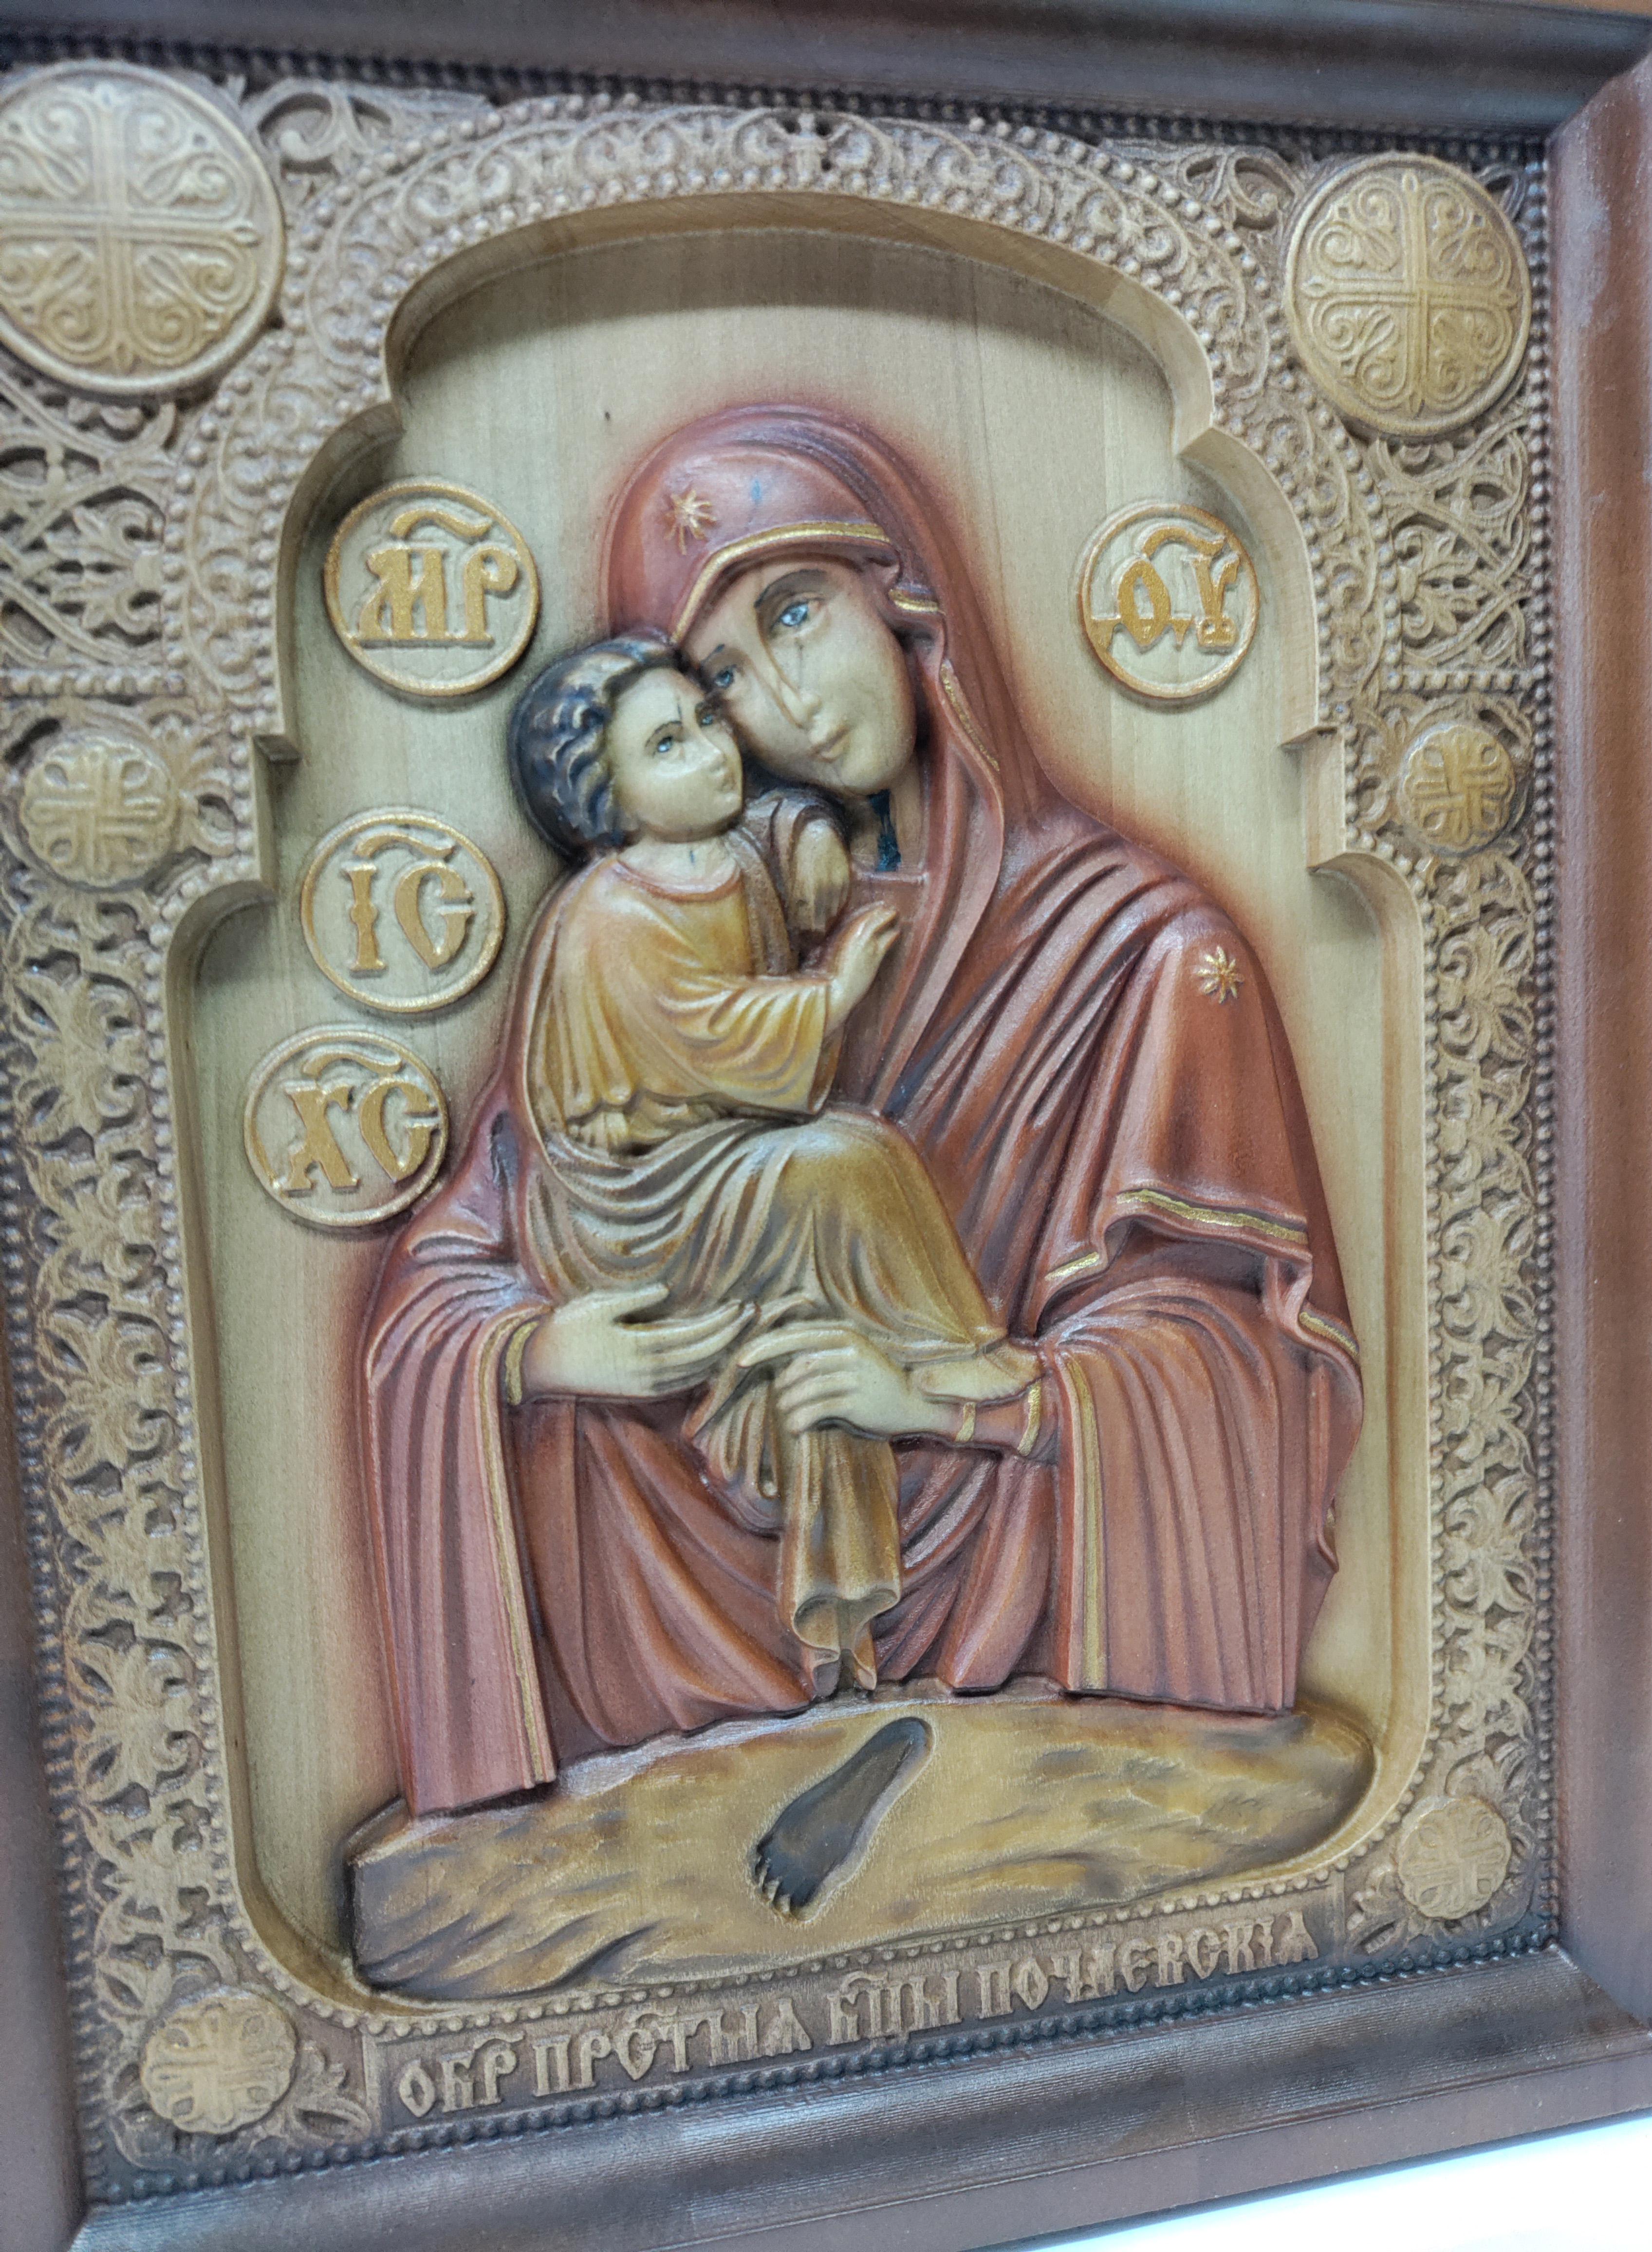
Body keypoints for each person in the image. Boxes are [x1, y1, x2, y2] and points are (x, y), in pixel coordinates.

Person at [360, 403, 1363, 1822]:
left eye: (794, 613)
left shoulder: (1143, 952)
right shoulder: (653, 926)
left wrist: (951, 1398)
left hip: (1004, 1597)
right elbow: (465, 1265)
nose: (781, 701)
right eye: (720, 676)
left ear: (905, 595)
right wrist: (538, 1352)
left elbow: (1229, 1367)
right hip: (681, 1632)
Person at [500, 626, 1033, 1693]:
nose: (711, 751)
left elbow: (769, 830)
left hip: (716, 1163)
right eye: (666, 746)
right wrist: (833, 995)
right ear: (608, 798)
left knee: (828, 1261)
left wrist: (809, 827)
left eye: (705, 721)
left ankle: (835, 1549)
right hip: (631, 1203)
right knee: (842, 1160)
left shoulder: (724, 851)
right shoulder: (610, 914)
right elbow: (709, 1037)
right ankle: (959, 1356)